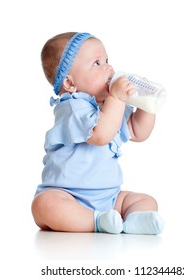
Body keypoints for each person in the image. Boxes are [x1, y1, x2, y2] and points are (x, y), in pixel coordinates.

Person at [31, 32, 164, 234]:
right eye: (97, 63)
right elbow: (101, 136)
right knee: (44, 205)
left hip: (109, 198)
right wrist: (117, 98)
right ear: (69, 83)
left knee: (145, 201)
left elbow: (138, 132)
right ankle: (98, 222)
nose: (109, 68)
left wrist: (147, 105)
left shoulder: (110, 106)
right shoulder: (72, 108)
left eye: (107, 60)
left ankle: (130, 223)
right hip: (68, 196)